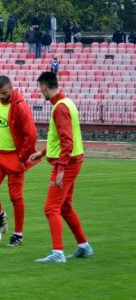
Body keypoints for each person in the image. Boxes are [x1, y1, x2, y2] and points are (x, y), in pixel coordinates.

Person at [28, 72, 94, 263]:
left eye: (40, 87)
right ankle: (84, 246)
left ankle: (58, 253)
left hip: (67, 163)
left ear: (45, 87)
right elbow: (61, 137)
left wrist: (61, 169)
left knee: (51, 207)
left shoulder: (59, 108)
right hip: (73, 160)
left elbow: (67, 140)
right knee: (65, 207)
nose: (41, 91)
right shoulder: (67, 103)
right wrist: (42, 152)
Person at [0, 76, 38, 246]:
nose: (1, 96)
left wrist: (22, 158)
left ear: (11, 89)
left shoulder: (20, 106)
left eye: (4, 93)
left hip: (14, 157)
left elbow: (32, 134)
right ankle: (0, 214)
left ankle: (18, 235)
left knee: (16, 197)